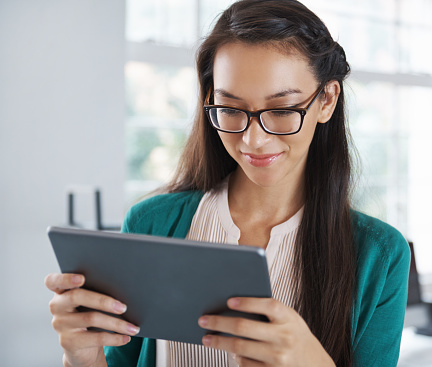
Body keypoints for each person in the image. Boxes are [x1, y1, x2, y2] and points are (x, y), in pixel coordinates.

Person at [44, 0, 410, 366]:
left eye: (282, 110)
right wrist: (82, 356)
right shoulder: (149, 224)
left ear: (327, 100)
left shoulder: (380, 255)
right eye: (231, 109)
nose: (253, 140)